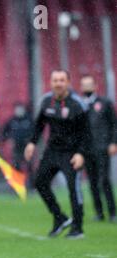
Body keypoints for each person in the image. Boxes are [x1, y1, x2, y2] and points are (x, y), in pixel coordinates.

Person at [24, 70, 90, 239]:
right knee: (40, 183)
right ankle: (59, 217)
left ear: (68, 82)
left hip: (72, 153)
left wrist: (81, 153)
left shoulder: (77, 104)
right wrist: (32, 143)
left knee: (73, 188)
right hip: (52, 151)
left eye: (62, 80)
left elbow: (87, 133)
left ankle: (78, 227)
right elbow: (39, 125)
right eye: (55, 80)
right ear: (51, 82)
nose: (58, 83)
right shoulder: (46, 101)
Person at [80, 75, 117, 222]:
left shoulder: (105, 103)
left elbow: (114, 124)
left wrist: (113, 142)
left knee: (104, 180)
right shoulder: (79, 105)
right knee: (92, 182)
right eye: (84, 85)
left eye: (89, 84)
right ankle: (99, 212)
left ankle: (113, 212)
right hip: (86, 149)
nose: (87, 88)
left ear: (95, 86)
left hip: (102, 147)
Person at [0, 102, 34, 171]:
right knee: (16, 163)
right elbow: (5, 131)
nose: (19, 111)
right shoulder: (12, 120)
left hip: (26, 145)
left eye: (20, 109)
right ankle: (18, 179)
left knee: (29, 164)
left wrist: (32, 141)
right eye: (17, 109)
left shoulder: (28, 120)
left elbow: (35, 131)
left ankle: (31, 180)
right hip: (16, 145)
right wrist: (3, 140)